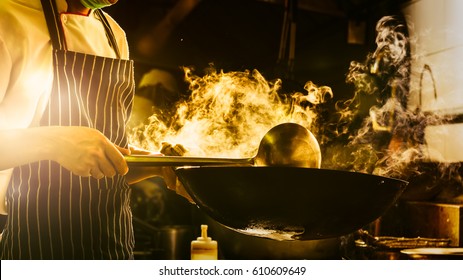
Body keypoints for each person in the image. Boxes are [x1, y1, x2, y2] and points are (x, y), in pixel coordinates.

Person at [0, 0, 183, 259]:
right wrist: (54, 142)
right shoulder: (8, 19)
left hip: (114, 251)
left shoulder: (114, 34)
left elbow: (101, 162)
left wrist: (158, 166)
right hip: (38, 250)